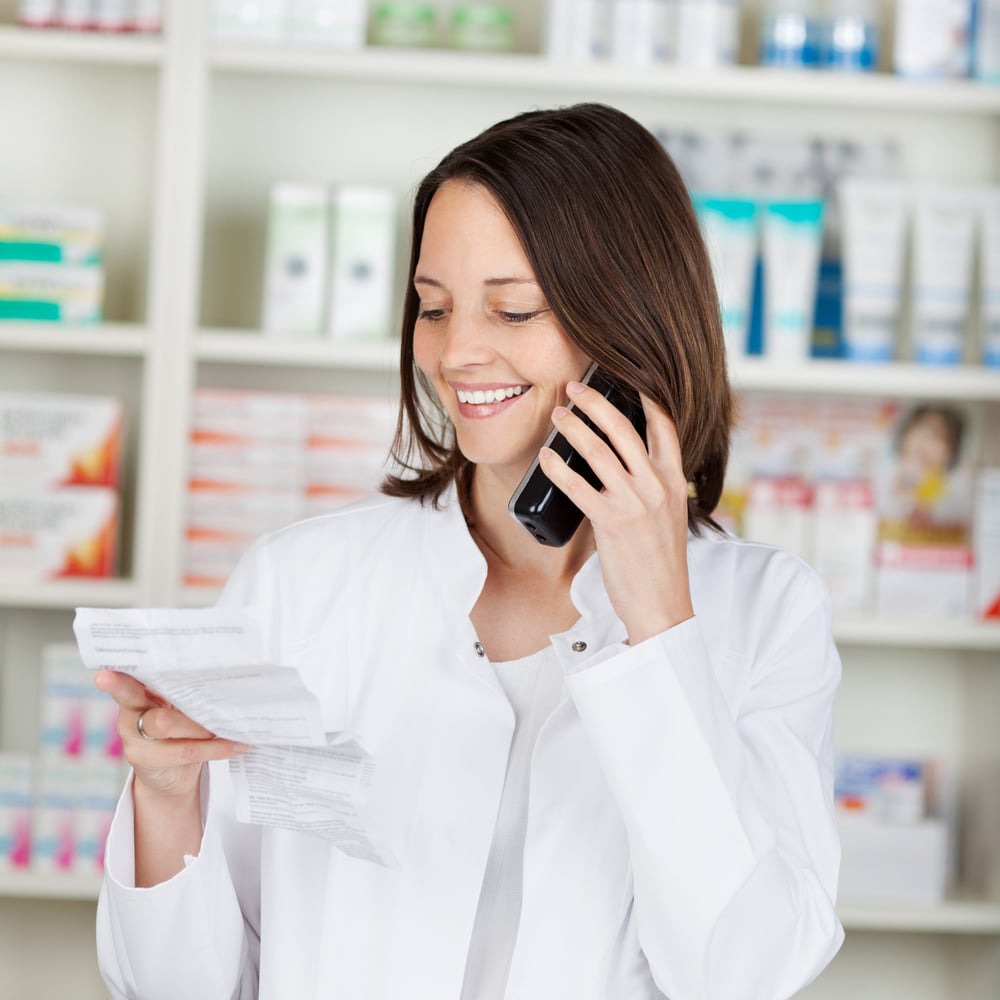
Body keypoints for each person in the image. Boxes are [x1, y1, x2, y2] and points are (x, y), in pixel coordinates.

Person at [94, 103, 844, 999]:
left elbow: (745, 973)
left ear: (631, 324)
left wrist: (658, 626)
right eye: (434, 307)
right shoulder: (300, 584)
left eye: (513, 308)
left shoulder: (765, 613)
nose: (457, 352)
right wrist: (166, 798)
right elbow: (177, 989)